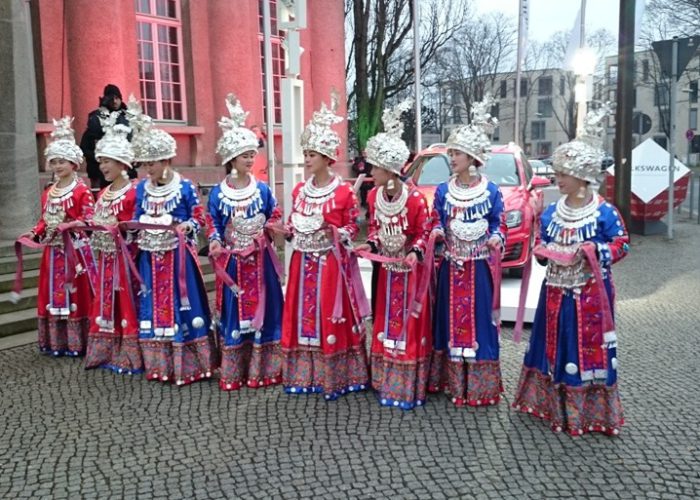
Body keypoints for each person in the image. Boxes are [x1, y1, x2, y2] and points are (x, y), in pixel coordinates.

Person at [512, 106, 629, 436]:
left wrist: (594, 251)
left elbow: (622, 244)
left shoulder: (604, 212)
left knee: (582, 347)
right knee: (553, 343)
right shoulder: (551, 213)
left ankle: (586, 413)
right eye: (557, 173)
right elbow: (542, 245)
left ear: (583, 176)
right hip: (554, 291)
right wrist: (542, 251)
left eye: (562, 174)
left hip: (590, 295)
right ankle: (550, 405)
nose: (556, 179)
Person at [277, 95, 370, 400]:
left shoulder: (343, 192)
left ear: (327, 157)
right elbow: (293, 221)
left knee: (327, 312)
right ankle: (305, 373)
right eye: (305, 153)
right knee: (302, 311)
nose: (307, 159)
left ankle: (335, 374)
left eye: (312, 154)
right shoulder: (299, 190)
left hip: (329, 262)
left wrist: (337, 232)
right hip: (302, 261)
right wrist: (287, 230)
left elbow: (353, 226)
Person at [129, 100, 216, 385]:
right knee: (153, 306)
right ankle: (159, 363)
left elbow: (199, 217)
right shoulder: (141, 188)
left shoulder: (185, 186)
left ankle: (189, 363)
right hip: (150, 257)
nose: (147, 170)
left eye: (151, 164)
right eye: (144, 165)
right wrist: (131, 230)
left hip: (177, 257)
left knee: (183, 306)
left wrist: (186, 226)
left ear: (166, 160)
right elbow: (137, 215)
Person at [354, 101, 433, 409]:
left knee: (407, 323)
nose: (369, 173)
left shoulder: (414, 200)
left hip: (409, 273)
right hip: (385, 272)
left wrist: (414, 252)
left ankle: (407, 380)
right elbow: (374, 227)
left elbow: (423, 232)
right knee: (385, 318)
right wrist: (369, 246)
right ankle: (384, 376)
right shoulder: (374, 196)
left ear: (389, 170)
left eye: (373, 167)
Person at [428, 96, 506, 407]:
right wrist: (435, 232)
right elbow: (437, 219)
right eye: (450, 152)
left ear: (473, 157)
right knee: (449, 322)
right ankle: (453, 383)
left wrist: (497, 237)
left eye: (456, 152)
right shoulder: (444, 191)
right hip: (450, 267)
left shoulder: (490, 191)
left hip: (478, 270)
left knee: (480, 323)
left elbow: (499, 223)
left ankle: (480, 387)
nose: (451, 157)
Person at [206, 94, 283, 391]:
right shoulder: (218, 193)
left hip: (259, 262)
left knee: (265, 310)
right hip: (233, 263)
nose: (251, 160)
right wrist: (214, 241)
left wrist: (268, 231)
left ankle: (265, 368)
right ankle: (236, 369)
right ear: (231, 160)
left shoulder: (262, 189)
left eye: (252, 154)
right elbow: (212, 221)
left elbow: (273, 214)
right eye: (245, 156)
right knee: (235, 313)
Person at [18, 117, 95, 356]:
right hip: (53, 252)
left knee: (76, 294)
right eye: (54, 162)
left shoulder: (82, 191)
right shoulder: (49, 192)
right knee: (53, 293)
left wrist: (70, 225)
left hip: (75, 251)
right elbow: (44, 220)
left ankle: (78, 341)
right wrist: (34, 232)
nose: (57, 166)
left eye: (62, 162)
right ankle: (58, 342)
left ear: (73, 164)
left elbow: (91, 220)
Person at [84, 110, 142, 374]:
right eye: (101, 162)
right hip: (105, 259)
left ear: (123, 164)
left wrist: (120, 230)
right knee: (106, 303)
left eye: (108, 161)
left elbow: (137, 227)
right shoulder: (104, 192)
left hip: (126, 260)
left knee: (126, 302)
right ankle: (106, 348)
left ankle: (130, 351)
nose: (103, 167)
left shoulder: (134, 192)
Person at [80, 84, 131, 189]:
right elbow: (85, 145)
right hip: (99, 171)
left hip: (125, 168)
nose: (115, 101)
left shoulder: (128, 117)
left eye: (117, 98)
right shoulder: (96, 118)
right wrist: (99, 159)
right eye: (112, 98)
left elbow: (133, 140)